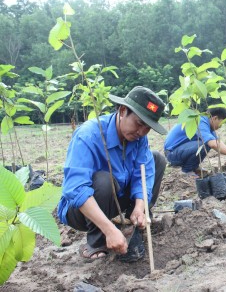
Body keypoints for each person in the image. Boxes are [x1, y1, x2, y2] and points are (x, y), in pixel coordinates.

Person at [58, 86, 168, 262]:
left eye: (147, 128)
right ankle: (97, 241)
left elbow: (143, 172)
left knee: (157, 160)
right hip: (81, 210)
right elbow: (76, 189)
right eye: (139, 123)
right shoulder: (88, 135)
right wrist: (109, 229)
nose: (141, 132)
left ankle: (135, 222)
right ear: (123, 111)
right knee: (103, 180)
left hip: (118, 197)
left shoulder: (139, 139)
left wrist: (140, 206)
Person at [164, 107, 226, 176]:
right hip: (172, 154)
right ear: (215, 118)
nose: (220, 127)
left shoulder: (207, 125)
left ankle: (194, 167)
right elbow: (213, 144)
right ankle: (187, 171)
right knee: (205, 144)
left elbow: (218, 142)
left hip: (179, 151)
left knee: (206, 143)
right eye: (221, 123)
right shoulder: (200, 120)